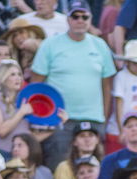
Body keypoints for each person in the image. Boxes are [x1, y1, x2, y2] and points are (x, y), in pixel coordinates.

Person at [29, 0, 117, 167]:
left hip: (93, 119)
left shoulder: (100, 45)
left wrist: (103, 117)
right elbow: (37, 86)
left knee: (94, 171)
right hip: (60, 120)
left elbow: (107, 86)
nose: (80, 20)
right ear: (67, 19)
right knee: (59, 168)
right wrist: (44, 121)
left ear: (90, 19)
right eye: (75, 16)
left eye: (85, 16)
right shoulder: (50, 45)